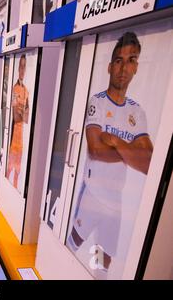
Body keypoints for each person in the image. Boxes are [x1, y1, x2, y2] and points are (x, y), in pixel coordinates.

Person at [66, 32, 153, 274]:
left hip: (116, 204)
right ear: (109, 66)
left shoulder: (138, 113)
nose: (124, 67)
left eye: (131, 60)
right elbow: (95, 150)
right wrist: (131, 150)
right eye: (119, 60)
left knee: (101, 266)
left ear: (136, 67)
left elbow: (149, 164)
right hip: (92, 195)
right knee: (71, 246)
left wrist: (115, 141)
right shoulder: (98, 102)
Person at [6, 55, 29, 190]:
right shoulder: (14, 88)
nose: (22, 70)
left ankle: (14, 189)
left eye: (24, 67)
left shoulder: (26, 90)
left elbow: (26, 115)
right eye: (20, 66)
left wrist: (21, 111)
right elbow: (16, 115)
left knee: (18, 169)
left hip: (21, 135)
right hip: (13, 133)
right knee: (10, 166)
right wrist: (20, 111)